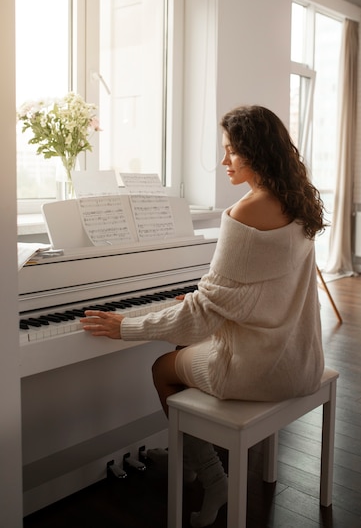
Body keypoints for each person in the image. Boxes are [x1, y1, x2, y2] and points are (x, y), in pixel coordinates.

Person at [81, 105, 326, 527]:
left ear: (255, 151)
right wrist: (208, 302)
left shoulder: (245, 212)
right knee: (183, 341)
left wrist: (127, 327)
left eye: (231, 151)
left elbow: (201, 317)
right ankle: (190, 457)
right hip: (300, 358)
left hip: (261, 369)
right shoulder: (297, 201)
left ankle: (212, 478)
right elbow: (258, 289)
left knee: (161, 368)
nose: (223, 161)